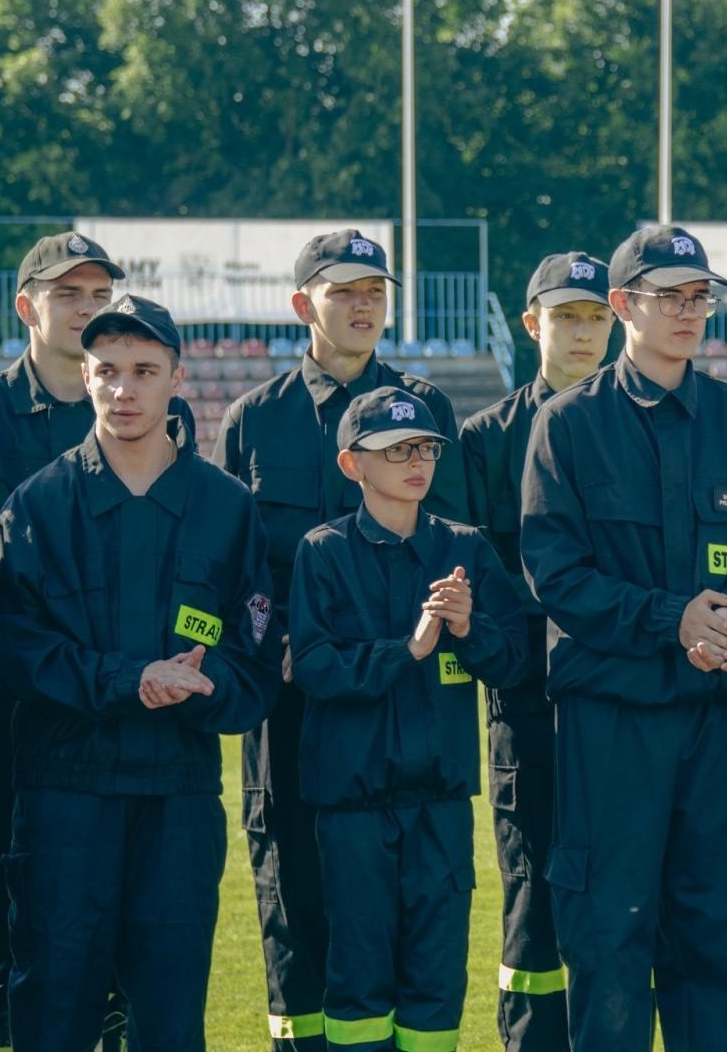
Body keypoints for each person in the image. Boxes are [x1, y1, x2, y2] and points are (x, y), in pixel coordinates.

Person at [520, 224, 727, 1050]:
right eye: (667, 296)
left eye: (699, 297)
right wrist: (671, 620)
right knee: (609, 939)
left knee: (714, 941)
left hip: (716, 723)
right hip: (613, 727)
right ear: (621, 306)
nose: (687, 312)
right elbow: (554, 573)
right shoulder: (567, 426)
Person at [0, 294, 280, 1051]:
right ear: (84, 377)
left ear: (177, 377)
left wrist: (206, 681)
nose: (125, 390)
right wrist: (129, 678)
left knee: (169, 1016)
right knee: (54, 1008)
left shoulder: (226, 509)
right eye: (107, 371)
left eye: (144, 372)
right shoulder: (37, 506)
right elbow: (16, 648)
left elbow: (256, 656)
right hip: (63, 797)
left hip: (178, 801)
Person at [213, 228, 469, 1051]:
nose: (364, 306)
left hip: (401, 706)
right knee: (292, 883)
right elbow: (230, 566)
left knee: (403, 909)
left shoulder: (424, 411)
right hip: (292, 699)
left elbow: (453, 541)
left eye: (375, 291)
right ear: (302, 305)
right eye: (343, 290)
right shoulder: (257, 419)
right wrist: (277, 639)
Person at [0, 232, 199, 1050]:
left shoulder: (153, 410)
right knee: (34, 927)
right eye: (66, 291)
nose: (84, 304)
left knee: (133, 950)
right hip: (17, 703)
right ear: (27, 306)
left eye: (97, 291)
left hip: (125, 713)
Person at [289, 386, 528, 1052]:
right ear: (352, 465)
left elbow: (512, 662)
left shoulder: (467, 549)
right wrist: (409, 650)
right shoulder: (323, 551)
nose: (416, 462)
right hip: (354, 810)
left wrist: (468, 627)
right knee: (360, 987)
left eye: (424, 448)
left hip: (442, 810)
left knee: (435, 986)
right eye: (396, 451)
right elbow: (313, 665)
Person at [460, 251, 615, 1051]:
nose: (583, 333)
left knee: (618, 895)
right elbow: (478, 578)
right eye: (566, 317)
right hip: (527, 703)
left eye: (595, 316)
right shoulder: (486, 439)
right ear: (532, 324)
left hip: (623, 705)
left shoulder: (637, 430)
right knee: (531, 900)